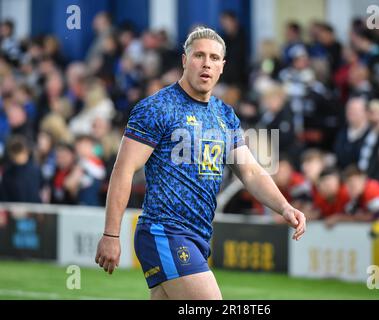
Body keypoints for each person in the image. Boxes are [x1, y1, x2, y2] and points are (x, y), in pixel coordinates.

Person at [95, 27, 306, 300]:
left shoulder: (225, 114)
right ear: (185, 60)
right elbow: (123, 170)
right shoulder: (157, 107)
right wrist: (111, 235)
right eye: (199, 56)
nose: (207, 63)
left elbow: (251, 172)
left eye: (214, 58)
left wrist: (285, 206)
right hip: (165, 230)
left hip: (198, 236)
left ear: (222, 67)